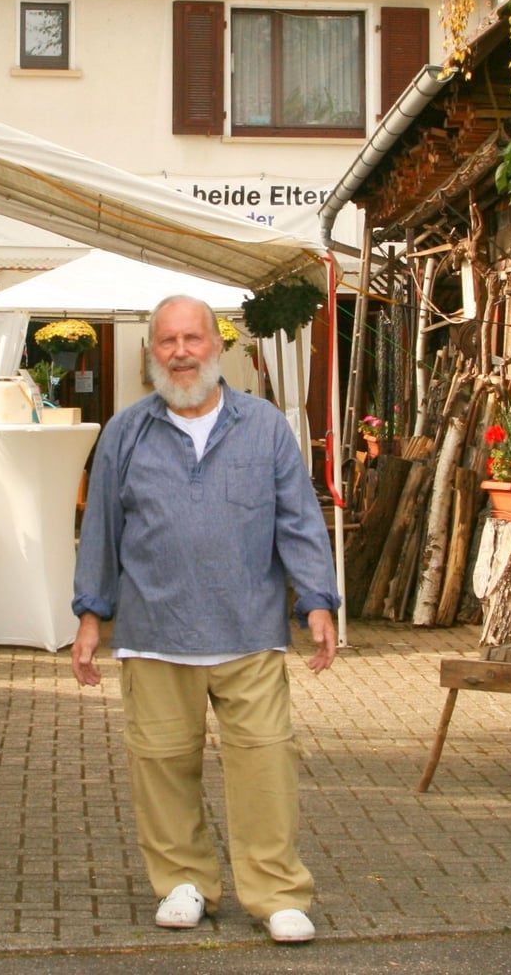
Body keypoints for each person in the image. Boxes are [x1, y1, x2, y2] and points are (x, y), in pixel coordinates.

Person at [70, 294, 339, 945]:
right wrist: (89, 615)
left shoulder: (266, 427)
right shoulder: (125, 433)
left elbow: (298, 519)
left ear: (218, 348)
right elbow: (100, 530)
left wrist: (318, 600)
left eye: (193, 339)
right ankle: (182, 883)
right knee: (160, 763)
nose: (181, 352)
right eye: (168, 341)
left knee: (265, 764)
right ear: (151, 353)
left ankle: (275, 894)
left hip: (248, 628)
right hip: (155, 632)